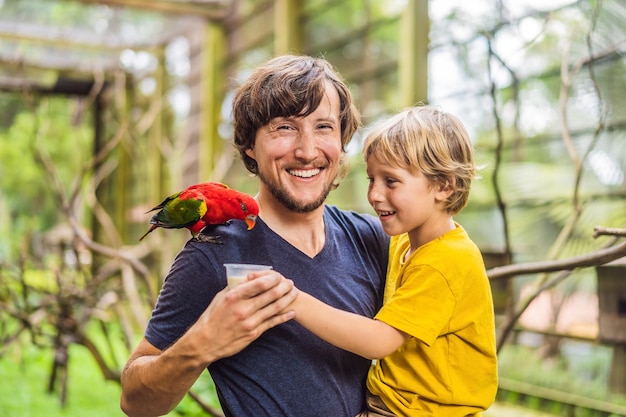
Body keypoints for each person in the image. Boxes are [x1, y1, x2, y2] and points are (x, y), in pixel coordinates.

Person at [120, 54, 390, 417]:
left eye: (324, 127)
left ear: (342, 140)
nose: (307, 151)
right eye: (284, 127)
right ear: (250, 145)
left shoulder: (374, 240)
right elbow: (135, 403)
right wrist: (202, 344)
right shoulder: (212, 254)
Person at [259, 105, 498, 416]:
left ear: (444, 186)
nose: (374, 194)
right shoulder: (404, 243)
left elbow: (380, 340)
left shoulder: (445, 260)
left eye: (391, 181)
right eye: (373, 179)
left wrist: (292, 300)